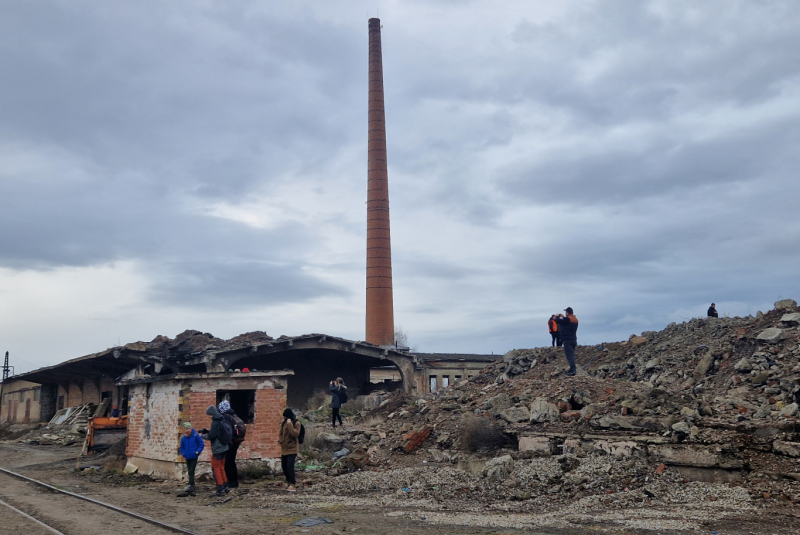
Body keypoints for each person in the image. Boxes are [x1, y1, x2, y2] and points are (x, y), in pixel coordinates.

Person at [199, 405, 229, 496]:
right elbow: (215, 432)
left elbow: (212, 436)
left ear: (212, 414)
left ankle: (220, 489)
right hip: (224, 447)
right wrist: (208, 431)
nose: (209, 417)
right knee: (221, 468)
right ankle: (225, 486)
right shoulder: (222, 419)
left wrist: (202, 436)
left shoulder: (215, 422)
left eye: (209, 415)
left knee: (215, 468)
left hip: (218, 448)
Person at [218, 400, 241, 489]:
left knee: (227, 462)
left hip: (230, 443)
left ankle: (230, 482)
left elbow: (227, 431)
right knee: (232, 462)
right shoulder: (234, 415)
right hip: (236, 442)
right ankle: (235, 482)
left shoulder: (226, 417)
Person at [278, 408, 301, 492]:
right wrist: (280, 440)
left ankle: (293, 484)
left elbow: (295, 433)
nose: (284, 418)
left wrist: (290, 425)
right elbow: (281, 433)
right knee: (284, 466)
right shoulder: (284, 423)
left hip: (292, 448)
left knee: (290, 466)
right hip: (284, 448)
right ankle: (288, 481)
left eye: (285, 417)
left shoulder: (296, 423)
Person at [178, 421, 204, 493]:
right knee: (189, 470)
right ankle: (192, 484)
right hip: (187, 456)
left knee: (191, 470)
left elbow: (201, 444)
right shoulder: (184, 438)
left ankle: (191, 484)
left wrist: (197, 452)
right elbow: (182, 447)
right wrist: (184, 453)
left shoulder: (195, 435)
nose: (188, 430)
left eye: (189, 428)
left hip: (194, 456)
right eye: (186, 429)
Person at [554, 307, 579, 377]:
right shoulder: (575, 319)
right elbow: (566, 321)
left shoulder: (567, 319)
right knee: (572, 354)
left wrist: (556, 317)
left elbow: (558, 321)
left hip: (567, 339)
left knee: (569, 355)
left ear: (567, 312)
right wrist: (563, 317)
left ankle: (572, 370)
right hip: (573, 339)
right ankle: (573, 369)